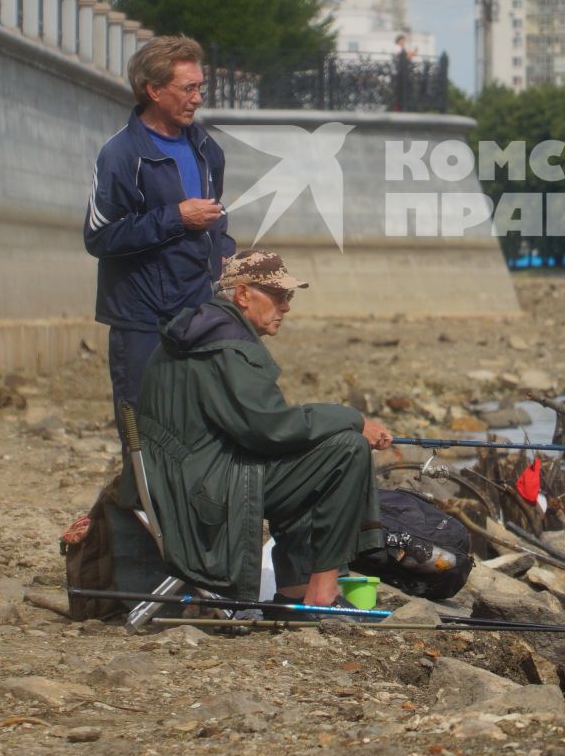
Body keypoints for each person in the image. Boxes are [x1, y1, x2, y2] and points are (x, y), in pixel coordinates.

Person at [133, 251, 392, 606]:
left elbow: (255, 428)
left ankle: (295, 588)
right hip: (206, 491)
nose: (286, 307)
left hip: (180, 478)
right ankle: (321, 592)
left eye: (290, 296)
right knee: (346, 451)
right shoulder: (229, 345)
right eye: (280, 295)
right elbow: (269, 428)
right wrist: (354, 419)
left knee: (316, 453)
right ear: (243, 295)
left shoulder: (198, 333)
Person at [84, 35, 235, 422]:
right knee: (143, 429)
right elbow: (99, 235)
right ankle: (139, 487)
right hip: (141, 322)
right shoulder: (121, 155)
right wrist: (177, 218)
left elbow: (217, 218)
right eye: (188, 88)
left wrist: (227, 264)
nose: (198, 98)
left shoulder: (207, 149)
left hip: (199, 312)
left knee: (202, 423)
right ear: (153, 90)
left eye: (200, 87)